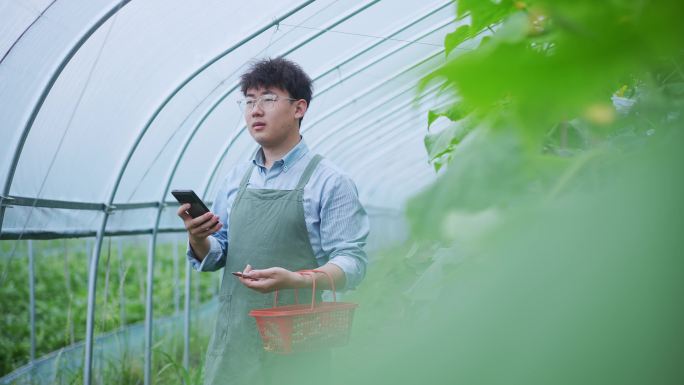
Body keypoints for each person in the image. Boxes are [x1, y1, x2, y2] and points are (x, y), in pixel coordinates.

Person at [177, 57, 369, 385]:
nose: (255, 110)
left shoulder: (329, 182)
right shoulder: (236, 179)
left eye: (268, 99)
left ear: (299, 108)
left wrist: (297, 280)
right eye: (249, 101)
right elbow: (220, 251)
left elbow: (353, 262)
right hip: (233, 343)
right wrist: (198, 238)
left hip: (298, 348)